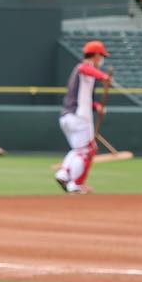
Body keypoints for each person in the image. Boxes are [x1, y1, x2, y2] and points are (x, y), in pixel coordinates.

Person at [55, 40, 112, 195]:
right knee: (88, 150)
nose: (102, 59)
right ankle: (75, 184)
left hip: (67, 117)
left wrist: (96, 107)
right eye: (101, 56)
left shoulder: (85, 72)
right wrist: (103, 76)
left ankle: (63, 174)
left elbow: (83, 97)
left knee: (79, 149)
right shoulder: (85, 67)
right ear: (95, 55)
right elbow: (84, 68)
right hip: (79, 118)